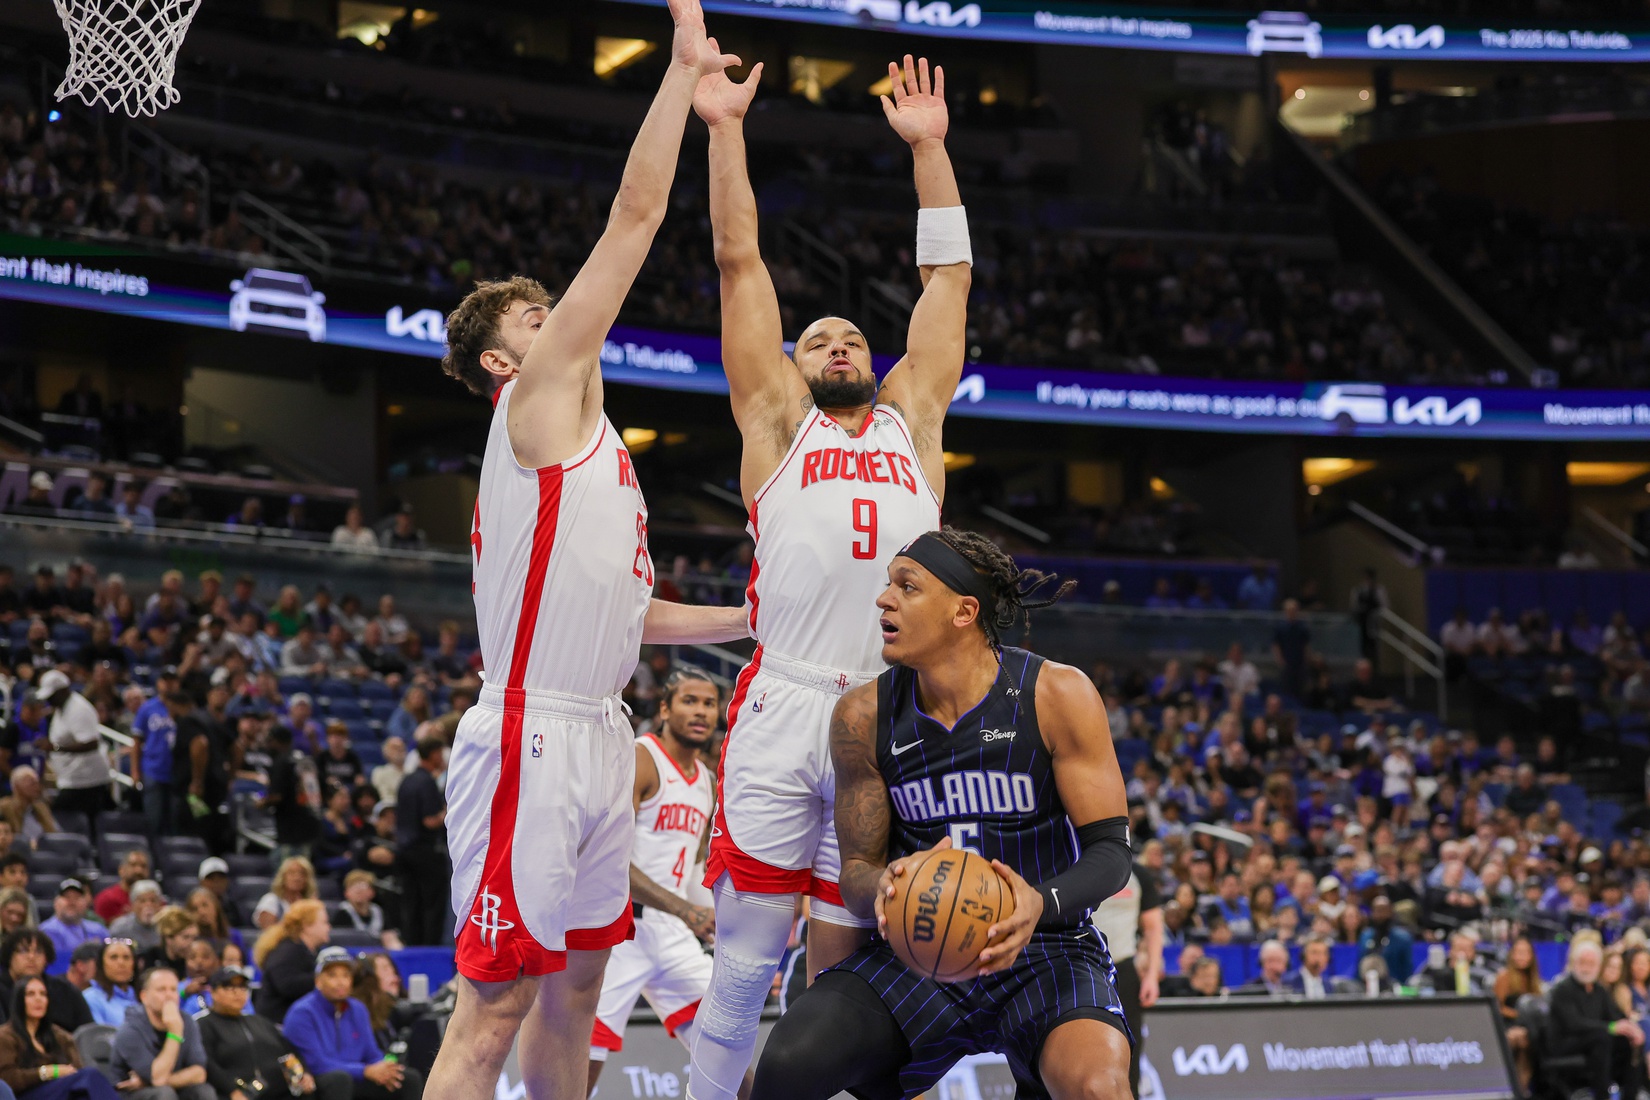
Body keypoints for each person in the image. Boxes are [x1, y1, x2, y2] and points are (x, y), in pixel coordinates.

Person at [427, 9, 751, 1100]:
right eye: (533, 311)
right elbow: (638, 211)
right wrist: (678, 72)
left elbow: (630, 609)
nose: (556, 313)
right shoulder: (534, 398)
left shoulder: (597, 444)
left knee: (575, 988)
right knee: (496, 1003)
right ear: (497, 353)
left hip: (599, 726)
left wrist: (749, 620)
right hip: (533, 729)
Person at [689, 53, 972, 1100]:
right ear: (796, 365)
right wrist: (724, 127)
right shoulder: (776, 422)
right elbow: (737, 259)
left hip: (886, 711)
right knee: (744, 960)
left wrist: (930, 150)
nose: (842, 339)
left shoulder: (915, 420)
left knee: (857, 973)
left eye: (855, 332)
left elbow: (946, 281)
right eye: (821, 336)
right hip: (787, 698)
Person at [752, 530, 1132, 1100]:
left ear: (964, 611)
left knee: (1098, 1087)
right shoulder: (863, 715)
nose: (884, 598)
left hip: (1045, 946)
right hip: (920, 947)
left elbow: (1112, 854)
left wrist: (1037, 902)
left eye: (907, 586)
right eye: (887, 584)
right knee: (788, 1064)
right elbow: (855, 873)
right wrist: (887, 884)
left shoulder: (1056, 693)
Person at [587, 669, 731, 1097]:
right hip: (620, 930)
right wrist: (687, 910)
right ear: (665, 708)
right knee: (583, 1063)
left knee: (727, 1044)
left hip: (670, 933)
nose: (701, 711)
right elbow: (610, 860)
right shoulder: (640, 758)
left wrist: (715, 916)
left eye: (708, 703)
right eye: (690, 701)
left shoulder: (705, 780)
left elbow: (690, 868)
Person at [284, 948, 423, 1100]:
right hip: (317, 1080)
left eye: (346, 975)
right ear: (318, 980)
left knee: (408, 1078)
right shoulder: (302, 1013)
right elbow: (317, 1064)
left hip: (356, 1075)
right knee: (339, 1080)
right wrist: (365, 1070)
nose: (340, 982)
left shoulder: (358, 1009)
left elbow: (371, 1053)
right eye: (332, 975)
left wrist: (384, 1068)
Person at [197, 965, 348, 1100]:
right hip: (242, 1093)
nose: (238, 993)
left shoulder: (259, 1021)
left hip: (283, 1090)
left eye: (243, 987)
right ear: (213, 992)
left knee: (335, 1080)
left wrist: (304, 1074)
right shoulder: (204, 1024)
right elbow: (207, 1063)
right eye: (229, 987)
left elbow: (290, 1051)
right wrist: (231, 1090)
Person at [1091, 858, 1162, 1096]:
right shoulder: (1076, 863)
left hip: (1124, 969)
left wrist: (1151, 975)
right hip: (1083, 968)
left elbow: (1153, 926)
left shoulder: (1138, 873)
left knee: (1130, 1050)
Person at [1548, 939, 1645, 1100]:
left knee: (1631, 1040)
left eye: (1591, 963)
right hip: (1565, 1043)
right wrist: (1611, 1027)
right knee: (1602, 1037)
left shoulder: (1599, 990)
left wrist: (1632, 1029)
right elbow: (1574, 1024)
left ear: (1598, 966)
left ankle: (1631, 1094)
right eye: (1583, 962)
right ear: (1574, 963)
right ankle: (1602, 1096)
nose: (1586, 968)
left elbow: (1615, 1016)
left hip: (1594, 1041)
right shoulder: (1563, 988)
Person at [0, 975, 120, 1100]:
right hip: (26, 1095)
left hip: (60, 1092)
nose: (38, 999)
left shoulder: (59, 1035)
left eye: (43, 994)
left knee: (84, 1094)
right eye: (30, 994)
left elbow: (76, 1071)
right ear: (19, 1000)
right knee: (90, 1075)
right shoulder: (5, 1036)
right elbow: (6, 1079)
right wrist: (46, 1072)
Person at [109, 967, 214, 1100]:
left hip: (163, 1089)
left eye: (173, 989)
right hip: (131, 1095)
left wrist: (149, 1082)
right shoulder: (130, 1030)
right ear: (144, 996)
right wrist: (174, 1033)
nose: (169, 995)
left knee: (203, 1091)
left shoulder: (187, 1021)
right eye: (161, 990)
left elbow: (199, 1074)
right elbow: (158, 1079)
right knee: (164, 1094)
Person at [35, 672, 110, 822]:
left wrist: (56, 748)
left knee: (61, 820)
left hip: (86, 782)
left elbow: (91, 743)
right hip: (72, 779)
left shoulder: (78, 709)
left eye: (52, 695)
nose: (49, 700)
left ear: (63, 690)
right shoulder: (61, 708)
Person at [393, 740, 447, 948]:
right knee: (432, 904)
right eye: (440, 753)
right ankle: (430, 950)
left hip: (404, 851)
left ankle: (411, 946)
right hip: (425, 852)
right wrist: (447, 813)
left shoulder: (406, 780)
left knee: (410, 902)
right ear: (433, 754)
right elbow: (429, 820)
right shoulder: (426, 782)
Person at [251, 900, 329, 1025]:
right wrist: (324, 980)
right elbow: (287, 985)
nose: (328, 927)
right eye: (324, 922)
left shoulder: (308, 951)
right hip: (277, 1025)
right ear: (306, 926)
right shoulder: (287, 951)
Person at [0, 934, 89, 1036]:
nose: (31, 957)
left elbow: (88, 1033)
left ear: (47, 958)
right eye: (23, 951)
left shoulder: (65, 989)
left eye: (38, 952)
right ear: (9, 956)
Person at [37, 883, 104, 971]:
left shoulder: (99, 930)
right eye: (67, 897)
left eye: (77, 898)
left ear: (85, 904)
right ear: (56, 902)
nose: (72, 902)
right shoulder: (44, 932)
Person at [350, 955, 410, 1052]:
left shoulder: (399, 1011)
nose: (394, 975)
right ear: (369, 978)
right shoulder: (357, 1013)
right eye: (385, 969)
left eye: (393, 970)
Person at [81, 939, 138, 1027]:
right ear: (101, 964)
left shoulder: (143, 997)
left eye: (126, 957)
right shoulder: (91, 998)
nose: (121, 963)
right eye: (113, 957)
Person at [336, 873, 400, 952]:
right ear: (346, 893)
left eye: (363, 886)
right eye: (353, 886)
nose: (358, 891)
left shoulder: (378, 911)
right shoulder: (343, 912)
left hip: (377, 955)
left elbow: (389, 937)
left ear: (372, 892)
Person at [254, 858, 318, 931]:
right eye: (292, 873)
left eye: (302, 873)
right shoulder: (271, 901)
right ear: (283, 877)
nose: (297, 878)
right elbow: (268, 934)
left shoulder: (310, 902)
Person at [94, 851, 154, 926]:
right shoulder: (106, 899)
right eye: (133, 865)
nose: (139, 870)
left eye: (143, 866)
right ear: (121, 870)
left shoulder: (155, 900)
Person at [109, 882, 165, 952]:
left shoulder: (167, 927)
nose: (148, 905)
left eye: (153, 901)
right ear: (132, 904)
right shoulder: (119, 928)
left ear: (160, 904)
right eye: (142, 901)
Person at [195, 861, 246, 930]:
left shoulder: (232, 907)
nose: (216, 882)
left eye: (221, 878)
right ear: (201, 882)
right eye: (211, 878)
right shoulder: (193, 905)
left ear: (227, 881)